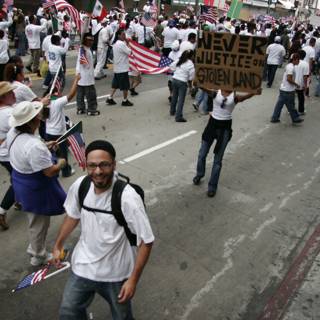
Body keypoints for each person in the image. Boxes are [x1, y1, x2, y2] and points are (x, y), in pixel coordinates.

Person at [52, 140, 154, 320]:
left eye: (104, 165)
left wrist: (132, 281)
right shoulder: (80, 186)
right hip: (83, 267)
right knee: (68, 312)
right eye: (92, 165)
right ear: (85, 166)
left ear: (114, 165)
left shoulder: (128, 198)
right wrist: (58, 244)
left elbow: (146, 241)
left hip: (116, 274)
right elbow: (73, 216)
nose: (98, 171)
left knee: (122, 317)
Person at [6, 100, 66, 266]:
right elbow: (49, 171)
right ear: (32, 122)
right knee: (38, 223)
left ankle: (35, 247)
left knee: (36, 220)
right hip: (35, 186)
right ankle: (37, 254)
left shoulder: (14, 133)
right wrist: (61, 162)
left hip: (22, 180)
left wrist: (45, 146)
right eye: (37, 116)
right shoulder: (34, 146)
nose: (40, 118)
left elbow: (28, 150)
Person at [193, 88, 262, 197]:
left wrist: (254, 93)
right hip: (212, 126)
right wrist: (199, 84)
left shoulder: (233, 96)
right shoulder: (216, 92)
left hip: (224, 129)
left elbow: (244, 98)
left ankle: (212, 187)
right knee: (202, 153)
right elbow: (206, 90)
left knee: (218, 160)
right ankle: (199, 174)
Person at [44, 75, 80, 178]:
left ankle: (53, 167)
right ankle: (66, 171)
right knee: (63, 154)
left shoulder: (44, 102)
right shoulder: (56, 102)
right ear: (55, 92)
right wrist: (76, 80)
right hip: (59, 133)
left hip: (48, 132)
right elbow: (71, 95)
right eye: (59, 91)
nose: (60, 93)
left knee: (52, 153)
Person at [0, 82, 17, 230]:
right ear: (3, 97)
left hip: (2, 154)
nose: (14, 94)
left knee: (14, 176)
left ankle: (19, 199)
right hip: (9, 154)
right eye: (11, 93)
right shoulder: (8, 113)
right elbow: (23, 129)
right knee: (18, 181)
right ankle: (1, 211)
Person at [270, 53, 304, 124]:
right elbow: (289, 79)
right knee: (290, 105)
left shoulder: (289, 66)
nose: (299, 62)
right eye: (298, 60)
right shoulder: (291, 67)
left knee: (280, 104)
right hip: (288, 90)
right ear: (295, 59)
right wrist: (296, 85)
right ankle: (295, 118)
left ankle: (275, 117)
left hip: (284, 89)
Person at [106, 29, 134, 107]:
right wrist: (128, 43)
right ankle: (125, 100)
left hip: (117, 68)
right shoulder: (121, 44)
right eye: (123, 35)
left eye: (124, 34)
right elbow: (130, 52)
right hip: (122, 68)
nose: (124, 36)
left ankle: (110, 97)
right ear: (118, 35)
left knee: (115, 85)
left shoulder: (115, 44)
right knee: (125, 86)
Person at [76, 33, 100, 116]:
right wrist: (89, 67)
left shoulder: (82, 49)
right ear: (85, 40)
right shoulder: (84, 50)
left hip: (80, 76)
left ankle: (80, 109)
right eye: (89, 40)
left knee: (80, 94)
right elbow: (84, 63)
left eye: (92, 40)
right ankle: (91, 110)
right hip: (87, 77)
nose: (91, 42)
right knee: (91, 95)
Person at [170, 50, 195, 122]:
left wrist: (176, 72)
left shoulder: (179, 60)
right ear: (191, 56)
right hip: (182, 82)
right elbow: (191, 77)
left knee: (174, 96)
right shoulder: (190, 64)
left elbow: (171, 66)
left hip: (174, 79)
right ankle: (178, 117)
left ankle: (172, 111)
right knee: (181, 100)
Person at [295, 50, 309, 115]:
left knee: (292, 97)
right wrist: (305, 85)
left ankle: (291, 110)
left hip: (292, 82)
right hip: (300, 83)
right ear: (304, 56)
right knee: (301, 98)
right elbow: (305, 76)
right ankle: (301, 111)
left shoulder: (294, 62)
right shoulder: (306, 64)